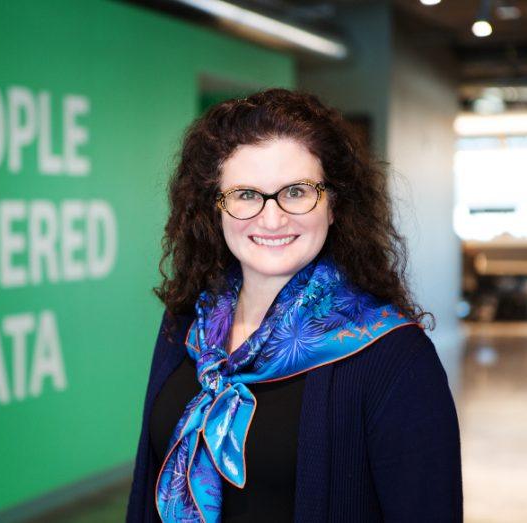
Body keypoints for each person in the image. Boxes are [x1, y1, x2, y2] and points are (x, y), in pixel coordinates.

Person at [126, 89, 462, 522]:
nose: (271, 218)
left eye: (297, 192)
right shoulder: (188, 323)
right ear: (216, 208)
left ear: (334, 204)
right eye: (246, 194)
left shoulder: (394, 358)